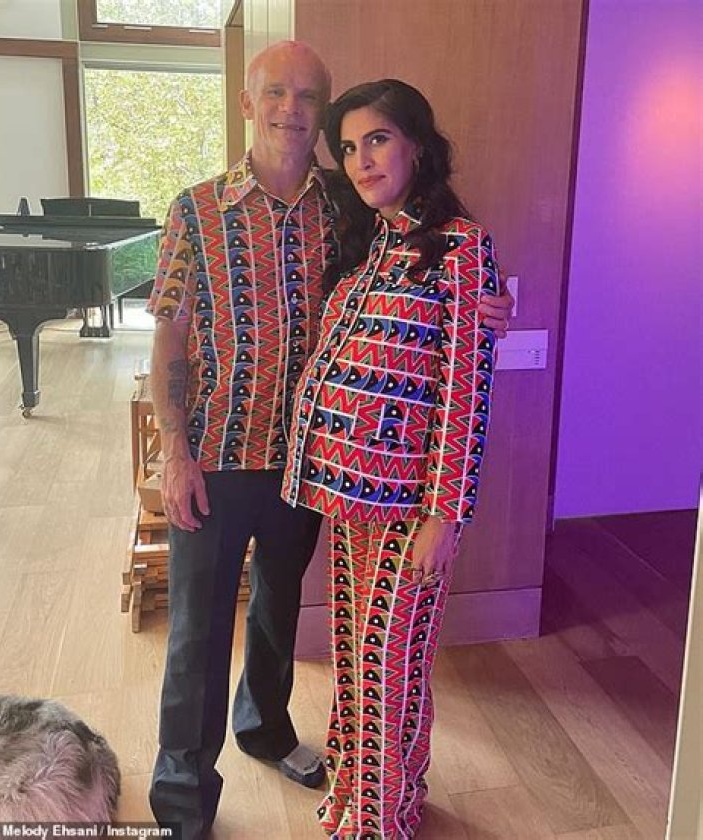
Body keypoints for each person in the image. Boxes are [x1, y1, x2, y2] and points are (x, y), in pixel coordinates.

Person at [147, 41, 513, 840]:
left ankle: (267, 730)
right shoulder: (196, 209)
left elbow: (441, 287)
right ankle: (181, 801)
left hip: (313, 468)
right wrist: (173, 452)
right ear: (248, 103)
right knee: (199, 631)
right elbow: (168, 335)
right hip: (216, 453)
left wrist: (490, 306)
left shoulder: (347, 208)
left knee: (280, 615)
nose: (293, 109)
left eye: (309, 96)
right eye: (276, 92)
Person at [282, 78, 502, 838]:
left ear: (416, 145)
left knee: (388, 666)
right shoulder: (370, 245)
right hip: (347, 495)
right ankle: (373, 797)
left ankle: (378, 823)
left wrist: (446, 516)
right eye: (348, 148)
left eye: (377, 139)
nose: (362, 161)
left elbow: (466, 394)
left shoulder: (462, 248)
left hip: (411, 505)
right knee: (360, 659)